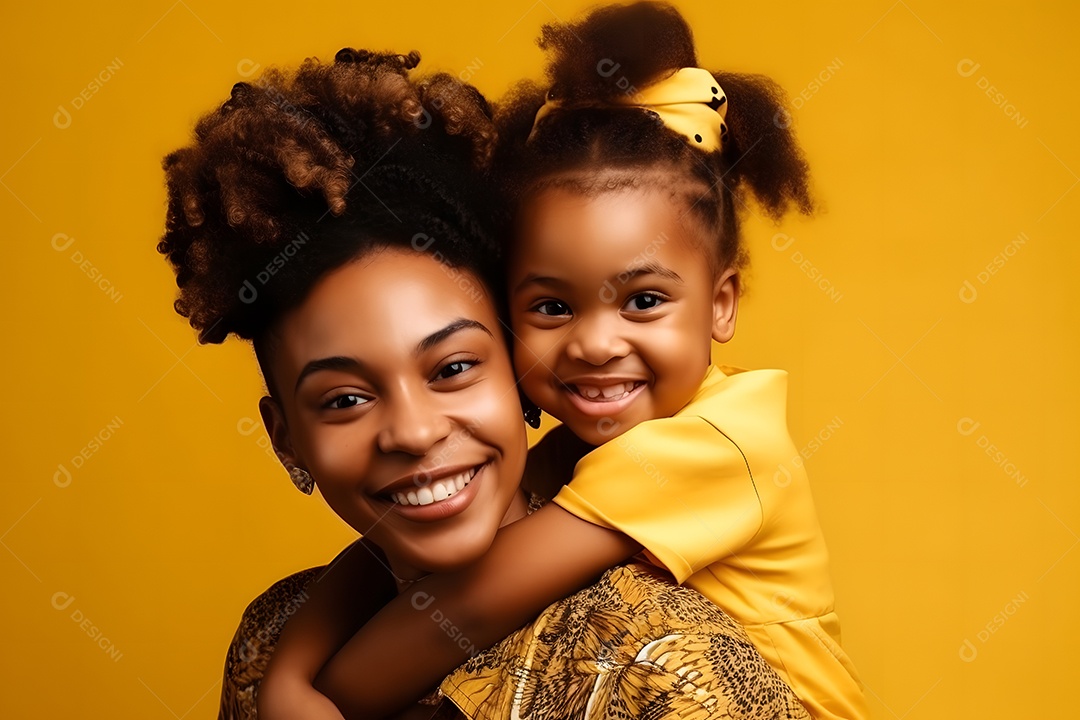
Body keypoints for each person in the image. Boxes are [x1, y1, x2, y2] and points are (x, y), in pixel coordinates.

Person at [158, 47, 810, 719]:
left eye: (453, 368)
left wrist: (308, 694)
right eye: (346, 398)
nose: (414, 432)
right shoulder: (269, 639)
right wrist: (287, 671)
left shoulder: (662, 659)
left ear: (508, 366)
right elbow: (379, 567)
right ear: (285, 437)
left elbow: (470, 601)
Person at [295, 4, 870, 719]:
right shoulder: (580, 452)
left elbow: (470, 605)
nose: (596, 345)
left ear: (722, 304)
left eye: (644, 301)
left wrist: (322, 697)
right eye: (553, 309)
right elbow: (407, 547)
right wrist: (288, 664)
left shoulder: (718, 444)